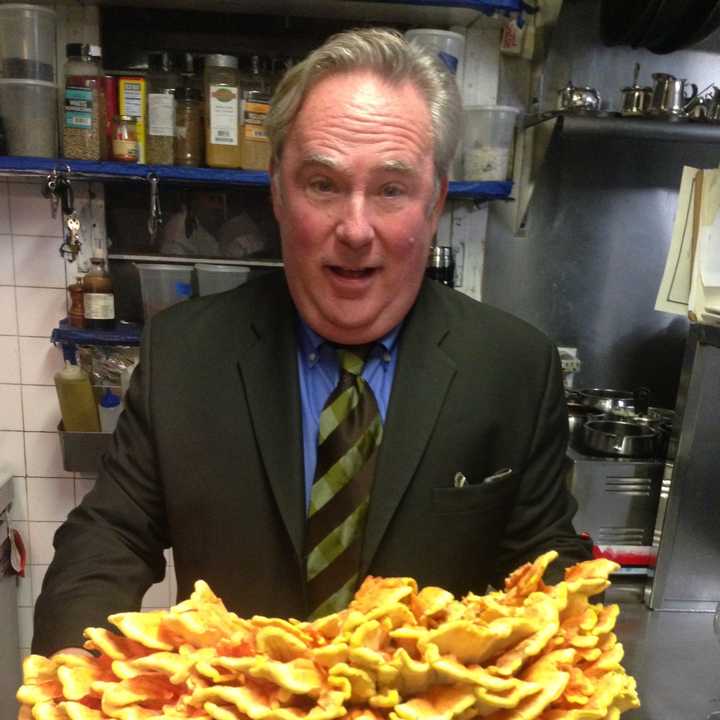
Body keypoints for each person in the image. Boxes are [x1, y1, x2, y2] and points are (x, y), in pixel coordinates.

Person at [33, 28, 591, 655]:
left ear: (434, 202)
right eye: (322, 184)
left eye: (391, 189)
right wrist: (71, 671)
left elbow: (548, 568)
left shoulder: (515, 367)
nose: (355, 228)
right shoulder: (183, 355)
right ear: (277, 189)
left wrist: (575, 660)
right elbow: (107, 537)